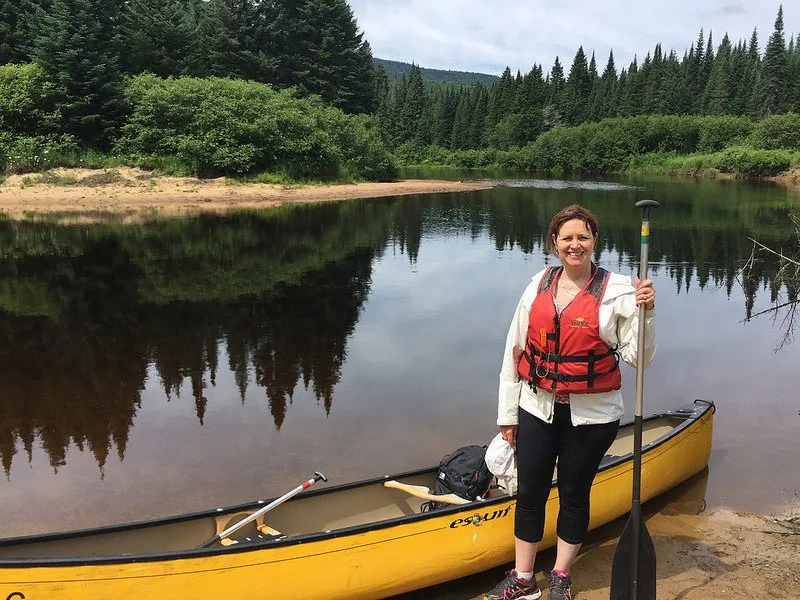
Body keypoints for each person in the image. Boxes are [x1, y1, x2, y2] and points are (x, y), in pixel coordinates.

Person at [484, 204, 656, 600]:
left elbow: (638, 358)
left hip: (592, 418)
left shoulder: (620, 291)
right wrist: (507, 415)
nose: (574, 245)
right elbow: (514, 352)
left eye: (583, 237)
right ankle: (523, 578)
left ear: (595, 240)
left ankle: (560, 575)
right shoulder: (537, 286)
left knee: (575, 495)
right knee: (530, 494)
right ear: (554, 243)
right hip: (536, 409)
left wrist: (648, 313)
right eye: (567, 238)